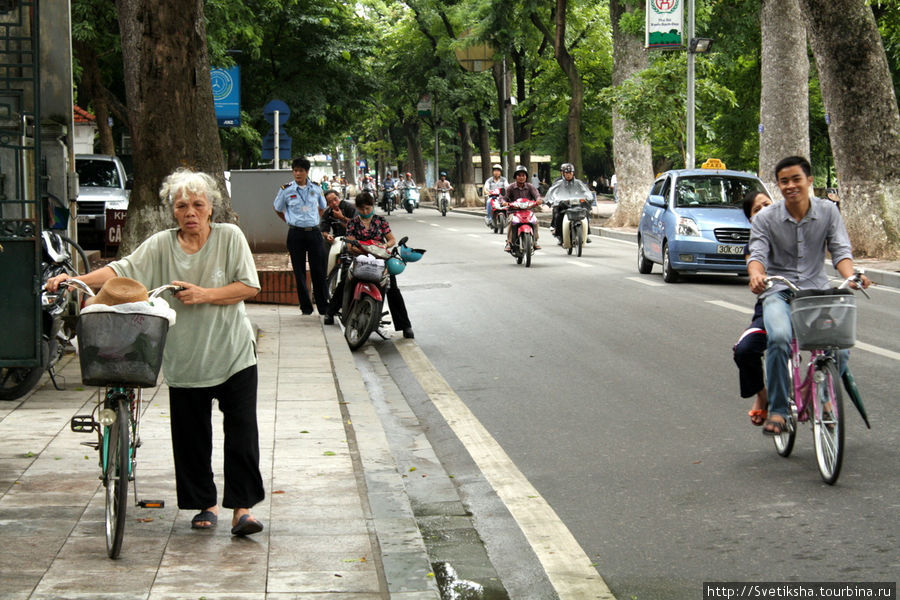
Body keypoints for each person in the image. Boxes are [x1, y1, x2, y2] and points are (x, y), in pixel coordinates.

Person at [46, 168, 265, 535]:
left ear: (211, 208)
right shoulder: (162, 244)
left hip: (233, 353)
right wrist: (77, 280)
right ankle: (204, 504)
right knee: (192, 436)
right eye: (182, 206)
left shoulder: (229, 237)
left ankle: (242, 509)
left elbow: (249, 286)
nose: (190, 212)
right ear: (173, 211)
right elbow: (121, 269)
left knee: (242, 434)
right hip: (184, 358)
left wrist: (204, 295)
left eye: (198, 204)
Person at [747, 156, 870, 436]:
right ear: (778, 186)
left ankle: (823, 397)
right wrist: (756, 274)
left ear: (809, 181)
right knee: (778, 338)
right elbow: (757, 255)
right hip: (778, 291)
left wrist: (852, 276)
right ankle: (778, 410)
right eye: (784, 181)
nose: (790, 186)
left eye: (796, 179)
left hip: (816, 292)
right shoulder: (766, 218)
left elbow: (840, 251)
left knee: (841, 345)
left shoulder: (828, 212)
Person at [323, 192, 414, 339]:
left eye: (368, 208)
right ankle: (330, 312)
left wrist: (383, 246)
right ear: (357, 209)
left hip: (380, 259)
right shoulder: (353, 223)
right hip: (360, 258)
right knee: (346, 281)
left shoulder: (380, 221)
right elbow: (350, 243)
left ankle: (405, 326)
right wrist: (361, 250)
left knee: (393, 288)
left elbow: (391, 240)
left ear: (372, 206)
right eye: (362, 209)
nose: (365, 212)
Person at [733, 190, 773, 426]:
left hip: (808, 304)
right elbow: (754, 264)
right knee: (745, 350)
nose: (765, 211)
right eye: (758, 209)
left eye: (768, 204)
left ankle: (826, 399)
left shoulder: (798, 228)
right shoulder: (755, 243)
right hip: (772, 305)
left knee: (835, 342)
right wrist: (756, 276)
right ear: (751, 220)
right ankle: (763, 395)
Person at [273, 157, 329, 315]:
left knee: (318, 270)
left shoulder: (316, 188)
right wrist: (289, 220)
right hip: (295, 233)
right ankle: (306, 307)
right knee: (299, 271)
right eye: (295, 170)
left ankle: (323, 306)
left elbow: (323, 207)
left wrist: (315, 219)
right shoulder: (286, 189)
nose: (297, 173)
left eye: (301, 171)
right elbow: (277, 208)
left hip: (314, 233)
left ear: (307, 172)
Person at [544, 163, 596, 245]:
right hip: (564, 205)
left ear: (573, 173)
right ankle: (560, 235)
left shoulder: (578, 183)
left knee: (585, 213)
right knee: (558, 215)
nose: (568, 175)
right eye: (566, 173)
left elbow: (586, 192)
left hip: (577, 205)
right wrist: (554, 201)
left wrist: (588, 198)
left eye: (570, 173)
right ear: (563, 173)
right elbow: (551, 193)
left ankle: (586, 233)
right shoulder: (558, 183)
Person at [504, 164, 542, 252]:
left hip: (528, 211)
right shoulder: (511, 187)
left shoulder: (530, 187)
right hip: (514, 212)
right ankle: (509, 242)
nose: (521, 177)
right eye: (519, 175)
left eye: (523, 175)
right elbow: (504, 197)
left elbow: (537, 195)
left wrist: (538, 200)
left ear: (526, 177)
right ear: (515, 177)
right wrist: (504, 202)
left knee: (535, 221)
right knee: (511, 222)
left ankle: (535, 240)